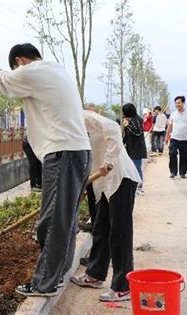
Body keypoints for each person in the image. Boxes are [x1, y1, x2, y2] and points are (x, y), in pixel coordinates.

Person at [0, 43, 91, 297]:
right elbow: (9, 78)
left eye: (15, 68)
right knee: (65, 221)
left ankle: (43, 282)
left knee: (52, 222)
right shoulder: (51, 70)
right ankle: (55, 277)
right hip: (77, 152)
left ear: (20, 61)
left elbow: (4, 81)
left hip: (62, 154)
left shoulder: (33, 72)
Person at [71, 110, 140, 302]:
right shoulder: (68, 128)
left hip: (121, 178)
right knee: (101, 229)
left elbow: (112, 129)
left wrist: (108, 162)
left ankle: (123, 287)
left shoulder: (82, 116)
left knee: (120, 234)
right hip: (104, 184)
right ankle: (95, 275)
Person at [165, 96, 187, 179]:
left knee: (184, 156)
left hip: (185, 139)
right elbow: (170, 126)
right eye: (176, 103)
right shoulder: (173, 114)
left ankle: (182, 173)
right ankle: (173, 172)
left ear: (183, 103)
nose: (177, 105)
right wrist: (166, 137)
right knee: (172, 154)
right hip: (174, 138)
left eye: (179, 103)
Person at [122, 103, 147, 196]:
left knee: (136, 168)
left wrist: (128, 125)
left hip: (137, 148)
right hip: (130, 148)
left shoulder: (137, 120)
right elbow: (126, 134)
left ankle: (139, 187)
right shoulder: (128, 120)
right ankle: (133, 186)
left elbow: (137, 132)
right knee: (130, 168)